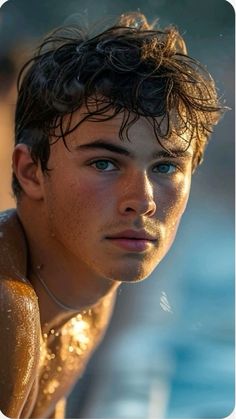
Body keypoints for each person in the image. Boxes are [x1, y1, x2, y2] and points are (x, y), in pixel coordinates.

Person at [0, 11, 224, 419]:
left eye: (165, 167)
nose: (141, 200)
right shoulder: (8, 308)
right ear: (30, 172)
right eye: (104, 164)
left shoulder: (87, 294)